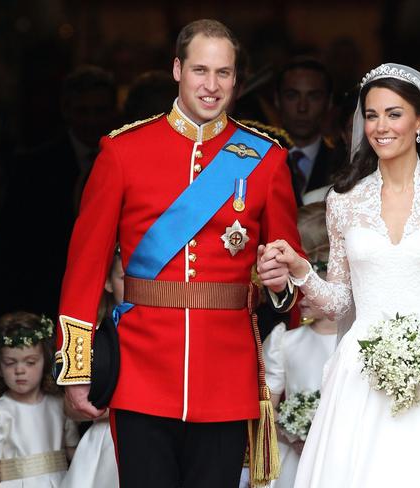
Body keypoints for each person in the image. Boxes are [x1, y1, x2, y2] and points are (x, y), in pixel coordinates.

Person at [55, 19, 302, 488]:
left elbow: (290, 281)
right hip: (141, 370)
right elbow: (86, 266)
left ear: (237, 79)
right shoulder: (122, 151)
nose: (211, 86)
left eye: (224, 73)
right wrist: (76, 366)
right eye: (200, 71)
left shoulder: (266, 160)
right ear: (177, 70)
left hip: (226, 375)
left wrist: (282, 283)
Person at [257, 63, 420, 487]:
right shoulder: (344, 202)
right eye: (371, 114)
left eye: (393, 114)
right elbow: (340, 302)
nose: (380, 126)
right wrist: (303, 271)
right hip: (359, 371)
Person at [0, 66, 118, 321]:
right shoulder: (31, 169)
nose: (92, 120)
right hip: (47, 305)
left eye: (100, 111)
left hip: (114, 308)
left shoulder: (132, 161)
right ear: (66, 111)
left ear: (114, 111)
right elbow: (11, 250)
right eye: (83, 111)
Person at [262, 202, 337, 488]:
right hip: (293, 461)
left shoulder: (356, 343)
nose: (300, 292)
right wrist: (292, 428)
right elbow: (267, 406)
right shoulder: (284, 340)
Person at [0, 312, 80, 487]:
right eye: (10, 362)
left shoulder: (60, 404)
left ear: (45, 361)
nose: (19, 370)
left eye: (30, 362)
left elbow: (74, 451)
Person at [61, 250, 123, 488]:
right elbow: (71, 408)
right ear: (107, 282)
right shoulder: (91, 335)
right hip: (103, 442)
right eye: (124, 278)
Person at [275, 58, 340, 205]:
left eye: (314, 97)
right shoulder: (258, 157)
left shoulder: (342, 162)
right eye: (292, 96)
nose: (302, 107)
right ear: (277, 100)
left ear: (329, 102)